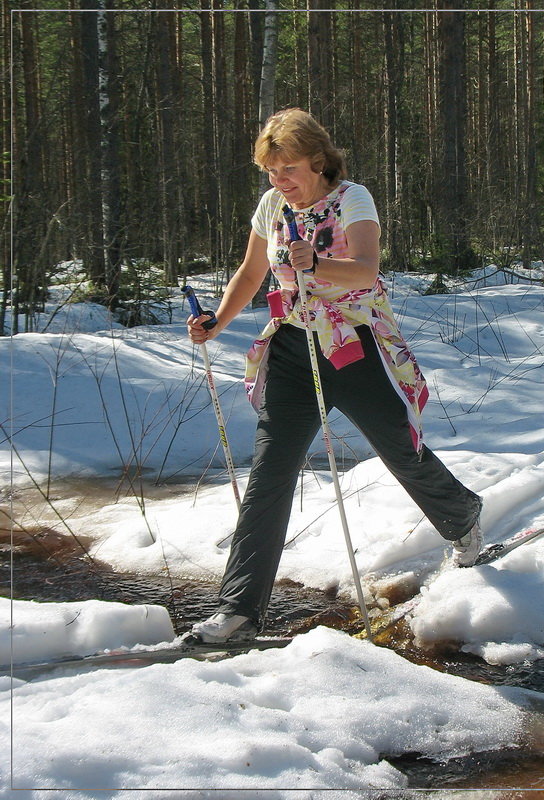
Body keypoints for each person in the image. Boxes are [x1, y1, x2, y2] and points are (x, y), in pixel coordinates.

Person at [187, 108, 483, 643]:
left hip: (353, 345)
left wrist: (316, 265)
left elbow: (367, 269)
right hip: (292, 351)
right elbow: (252, 272)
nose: (280, 182)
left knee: (398, 447)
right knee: (269, 476)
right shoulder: (272, 206)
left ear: (317, 161)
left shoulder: (352, 198)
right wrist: (215, 320)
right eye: (270, 172)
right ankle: (237, 611)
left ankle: (462, 515)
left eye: (288, 169)